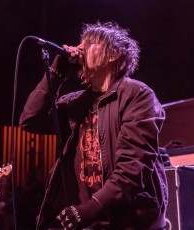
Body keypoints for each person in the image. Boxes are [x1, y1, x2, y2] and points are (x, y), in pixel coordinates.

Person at [19, 21, 168, 230]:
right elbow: (30, 120)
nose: (79, 49)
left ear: (113, 54)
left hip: (130, 223)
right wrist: (56, 71)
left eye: (89, 44)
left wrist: (89, 209)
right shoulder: (76, 103)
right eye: (80, 44)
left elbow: (132, 171)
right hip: (93, 223)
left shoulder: (137, 95)